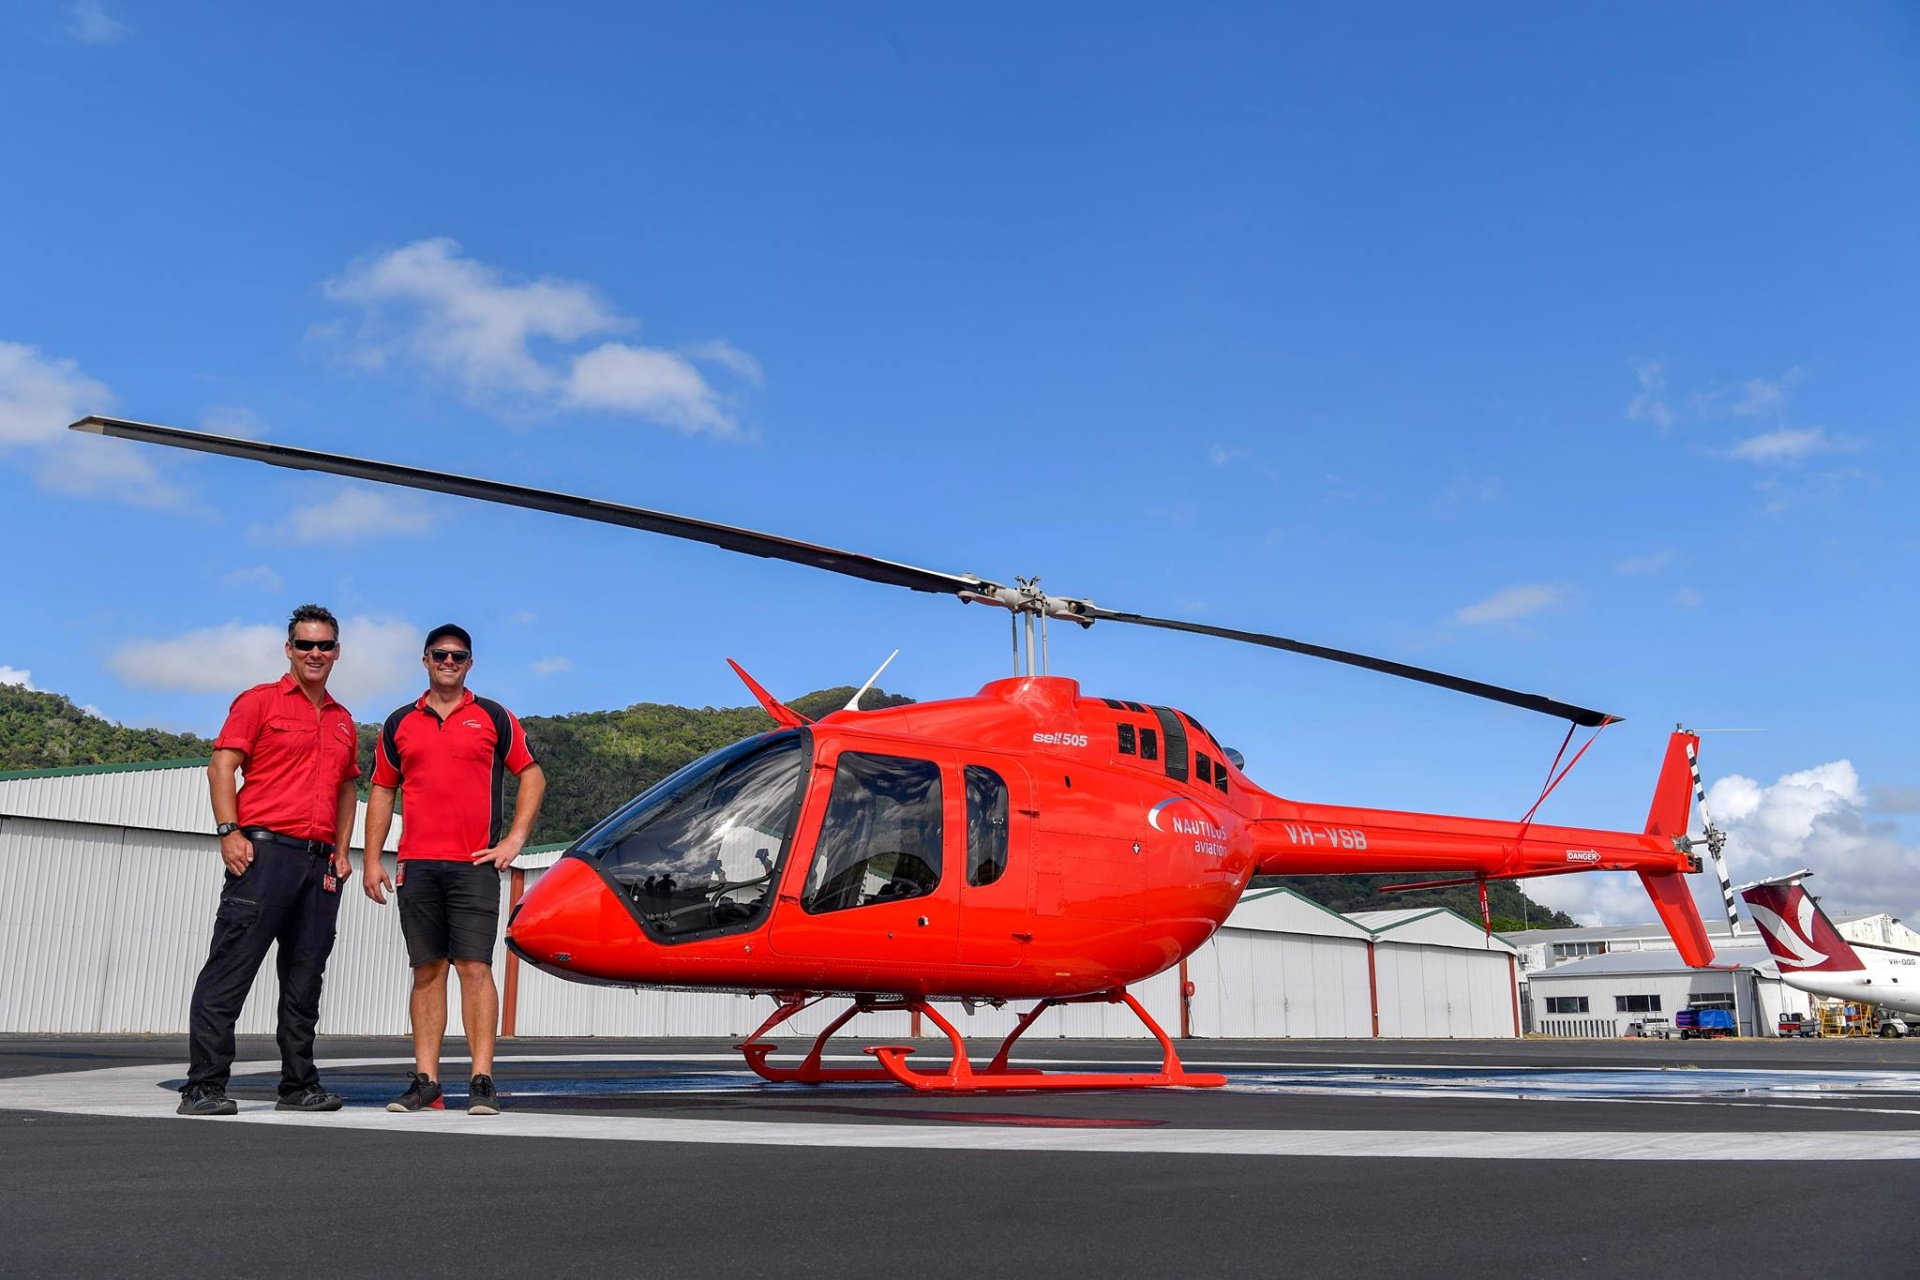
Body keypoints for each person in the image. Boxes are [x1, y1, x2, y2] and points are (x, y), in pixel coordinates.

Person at [180, 604, 360, 1116]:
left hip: (319, 864)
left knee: (305, 980)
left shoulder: (344, 720)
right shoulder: (260, 702)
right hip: (263, 857)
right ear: (289, 650)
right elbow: (221, 767)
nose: (315, 653)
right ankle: (204, 1086)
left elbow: (348, 789)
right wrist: (228, 832)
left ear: (337, 652)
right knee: (230, 970)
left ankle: (299, 1086)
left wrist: (343, 853)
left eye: (324, 645)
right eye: (305, 645)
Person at [363, 624, 545, 1115]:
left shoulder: (493, 716)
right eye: (440, 655)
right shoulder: (400, 721)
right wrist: (372, 856)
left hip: (473, 865)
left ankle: (482, 1080)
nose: (448, 662)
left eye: (458, 656)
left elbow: (531, 773)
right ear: (424, 660)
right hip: (416, 865)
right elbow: (382, 788)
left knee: (474, 968)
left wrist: (514, 841)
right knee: (426, 972)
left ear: (470, 663)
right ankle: (426, 1083)